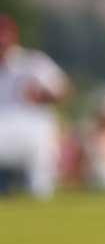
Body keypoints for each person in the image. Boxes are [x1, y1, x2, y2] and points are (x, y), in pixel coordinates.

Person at [0, 14, 71, 199]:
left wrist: (41, 96)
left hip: (34, 129)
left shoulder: (32, 61)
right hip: (4, 131)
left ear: (13, 35)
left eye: (4, 34)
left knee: (40, 185)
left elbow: (63, 90)